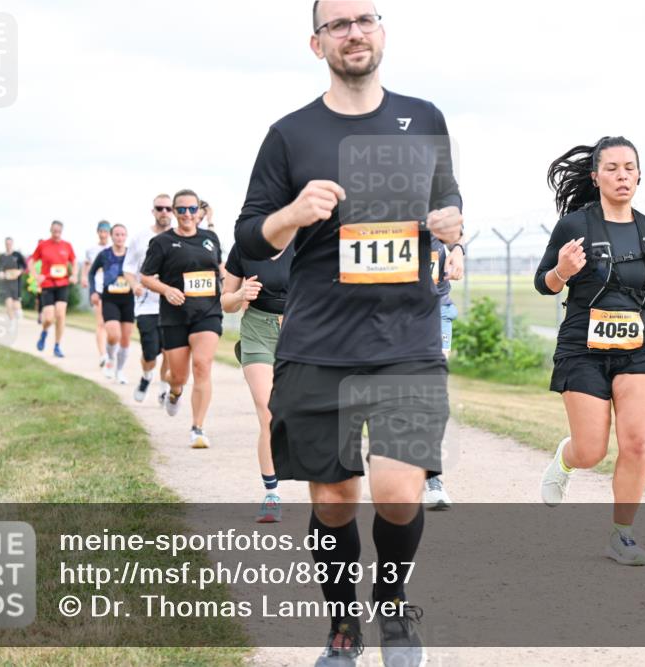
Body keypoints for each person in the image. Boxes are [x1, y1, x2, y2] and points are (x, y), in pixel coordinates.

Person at [234, 3, 464, 664]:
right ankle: (342, 628)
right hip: (317, 345)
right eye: (338, 24)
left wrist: (451, 226)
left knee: (398, 493)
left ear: (382, 32)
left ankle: (392, 609)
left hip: (408, 341)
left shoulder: (425, 118)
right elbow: (251, 233)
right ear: (317, 44)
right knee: (335, 503)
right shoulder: (290, 133)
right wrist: (291, 214)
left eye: (365, 18)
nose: (354, 31)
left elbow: (448, 199)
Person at [535, 135, 645, 566]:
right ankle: (566, 460)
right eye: (612, 168)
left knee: (637, 442)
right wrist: (561, 272)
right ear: (596, 176)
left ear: (639, 175)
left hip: (638, 347)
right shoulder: (575, 226)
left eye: (629, 168)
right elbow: (542, 282)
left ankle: (622, 535)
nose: (622, 176)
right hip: (582, 346)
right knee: (592, 451)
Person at [140, 191, 222, 449]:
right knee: (178, 376)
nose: (187, 214)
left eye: (192, 209)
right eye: (181, 209)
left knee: (202, 365)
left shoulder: (210, 238)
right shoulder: (162, 242)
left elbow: (221, 269)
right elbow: (146, 277)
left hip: (207, 312)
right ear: (174, 213)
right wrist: (166, 290)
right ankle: (174, 393)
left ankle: (197, 428)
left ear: (199, 211)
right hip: (174, 315)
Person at [222, 241, 295, 523]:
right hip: (257, 330)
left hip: (297, 329)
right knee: (268, 412)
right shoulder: (244, 248)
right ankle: (272, 494)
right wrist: (241, 294)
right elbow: (226, 302)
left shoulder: (304, 241)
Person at [422, 237, 465, 511]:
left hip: (437, 311)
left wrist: (458, 250)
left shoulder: (438, 202)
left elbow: (457, 228)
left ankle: (433, 477)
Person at [124, 194, 175, 404]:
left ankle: (164, 388)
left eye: (168, 208)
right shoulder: (140, 238)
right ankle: (146, 377)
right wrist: (135, 284)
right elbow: (127, 269)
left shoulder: (178, 237)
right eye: (159, 208)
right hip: (146, 305)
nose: (164, 212)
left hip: (171, 304)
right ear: (153, 211)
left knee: (169, 351)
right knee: (151, 353)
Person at [88, 223, 134, 384]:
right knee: (114, 334)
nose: (120, 237)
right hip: (110, 298)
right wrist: (93, 291)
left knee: (126, 339)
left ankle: (120, 371)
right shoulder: (104, 255)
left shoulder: (131, 254)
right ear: (111, 236)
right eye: (117, 234)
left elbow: (142, 271)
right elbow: (92, 272)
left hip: (128, 299)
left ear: (126, 237)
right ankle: (109, 360)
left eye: (123, 234)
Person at [30, 221, 78, 357]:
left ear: (62, 231)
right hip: (48, 284)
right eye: (54, 231)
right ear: (50, 230)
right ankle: (44, 332)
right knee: (49, 318)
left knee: (61, 315)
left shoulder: (67, 246)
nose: (56, 234)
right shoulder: (43, 245)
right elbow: (31, 262)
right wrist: (36, 276)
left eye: (59, 232)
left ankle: (57, 345)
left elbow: (74, 261)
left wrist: (74, 274)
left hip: (62, 283)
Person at [83, 221, 112, 368]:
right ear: (97, 232)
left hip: (113, 290)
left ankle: (109, 350)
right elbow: (87, 266)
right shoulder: (91, 250)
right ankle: (102, 355)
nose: (103, 234)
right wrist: (83, 277)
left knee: (111, 324)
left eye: (105, 232)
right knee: (101, 323)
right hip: (98, 289)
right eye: (101, 231)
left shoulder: (114, 249)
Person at [0, 237, 27, 327]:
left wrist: (20, 271)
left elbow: (24, 266)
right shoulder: (1, 257)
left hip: (16, 283)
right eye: (7, 244)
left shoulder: (17, 255)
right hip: (6, 283)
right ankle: (12, 322)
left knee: (16, 305)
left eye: (10, 243)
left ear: (12, 244)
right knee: (8, 304)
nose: (8, 245)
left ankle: (18, 314)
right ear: (5, 244)